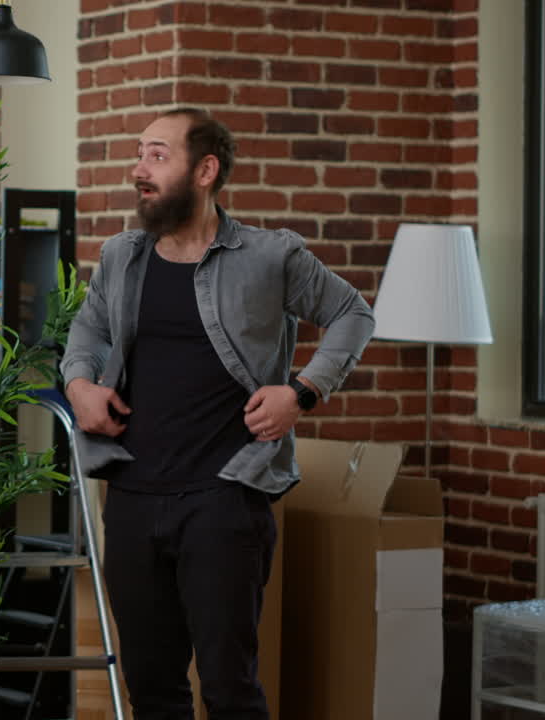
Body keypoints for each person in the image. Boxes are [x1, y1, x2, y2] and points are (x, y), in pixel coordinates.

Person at [60, 108, 374, 718]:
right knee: (152, 688)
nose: (138, 170)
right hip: (131, 495)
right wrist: (78, 385)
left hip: (226, 498)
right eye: (139, 153)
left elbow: (353, 313)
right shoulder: (122, 255)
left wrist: (302, 391)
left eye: (156, 155)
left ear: (205, 170)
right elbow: (88, 330)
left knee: (229, 687)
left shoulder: (269, 256)